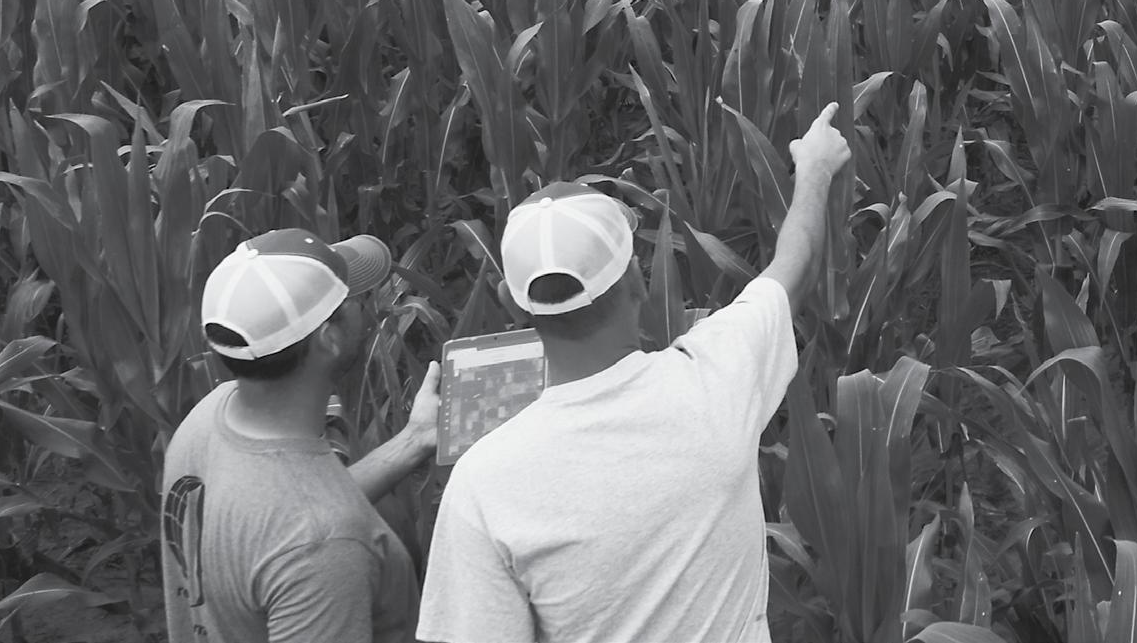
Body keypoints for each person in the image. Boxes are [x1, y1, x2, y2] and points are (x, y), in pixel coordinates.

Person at [417, 103, 852, 643]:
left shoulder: (482, 485)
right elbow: (795, 267)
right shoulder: (717, 379)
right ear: (639, 282)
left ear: (512, 304)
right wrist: (815, 169)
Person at [162, 227, 441, 643]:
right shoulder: (324, 547)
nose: (366, 305)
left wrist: (414, 439)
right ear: (329, 338)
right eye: (353, 300)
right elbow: (308, 529)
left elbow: (285, 515)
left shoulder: (208, 418)